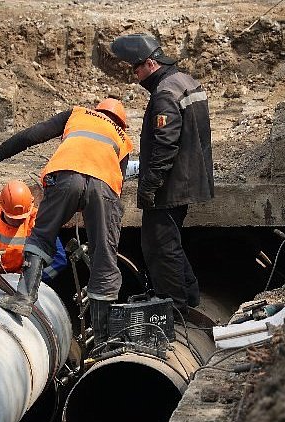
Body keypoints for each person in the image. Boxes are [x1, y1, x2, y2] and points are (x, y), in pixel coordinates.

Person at [0, 99, 133, 343]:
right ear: (121, 122)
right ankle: (103, 338)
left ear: (97, 110)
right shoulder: (124, 139)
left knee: (42, 235)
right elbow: (118, 185)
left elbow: (33, 134)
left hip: (66, 176)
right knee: (104, 254)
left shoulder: (77, 114)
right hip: (104, 188)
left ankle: (24, 299)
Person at [109, 33, 214, 313]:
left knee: (159, 246)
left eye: (136, 68)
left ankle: (174, 307)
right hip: (188, 179)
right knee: (171, 242)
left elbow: (165, 145)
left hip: (171, 185)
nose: (135, 76)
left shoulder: (164, 93)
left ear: (150, 64)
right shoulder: (186, 81)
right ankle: (189, 297)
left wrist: (150, 186)